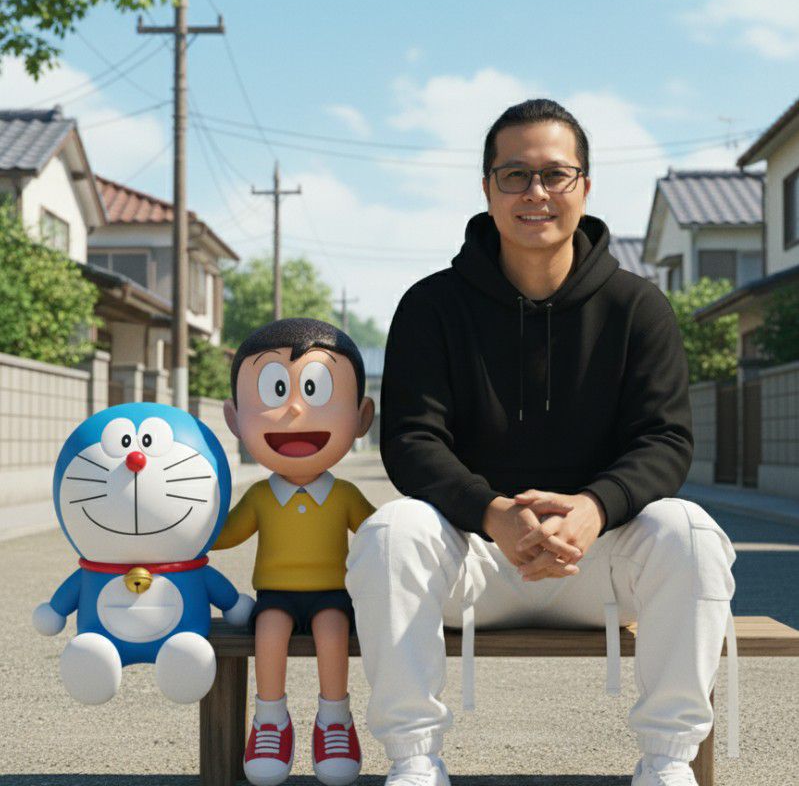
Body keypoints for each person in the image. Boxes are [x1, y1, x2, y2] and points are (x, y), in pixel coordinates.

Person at [345, 99, 737, 786]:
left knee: (691, 532)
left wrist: (593, 508)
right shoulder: (432, 306)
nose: (535, 192)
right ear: (487, 188)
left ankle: (666, 760)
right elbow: (411, 440)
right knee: (390, 533)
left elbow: (665, 439)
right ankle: (413, 759)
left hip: (601, 561)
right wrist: (493, 513)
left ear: (584, 186)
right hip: (475, 557)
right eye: (514, 175)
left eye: (555, 174)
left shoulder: (637, 307)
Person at [214, 318, 376, 786]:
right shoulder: (261, 497)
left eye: (314, 390)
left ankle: (335, 720)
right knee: (268, 632)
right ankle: (270, 720)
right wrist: (187, 529)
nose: (294, 409)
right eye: (276, 391)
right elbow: (227, 534)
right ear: (234, 419)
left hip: (332, 594)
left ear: (362, 417)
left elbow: (376, 534)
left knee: (333, 632)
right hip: (275, 595)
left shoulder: (344, 495)